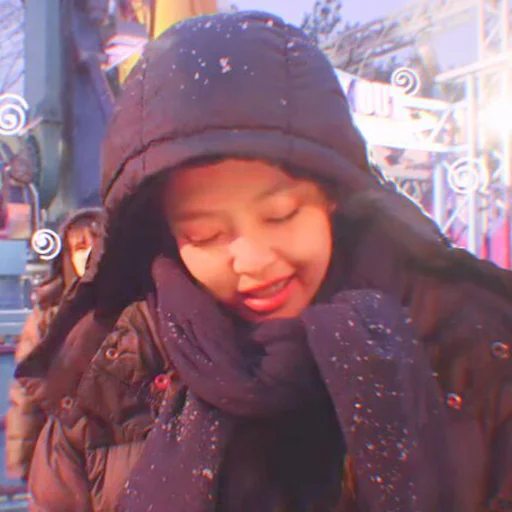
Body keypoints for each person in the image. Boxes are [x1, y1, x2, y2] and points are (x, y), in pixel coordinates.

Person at [14, 11, 511, 512]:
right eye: (205, 235)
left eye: (281, 215)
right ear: (165, 234)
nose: (252, 261)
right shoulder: (111, 377)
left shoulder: (470, 347)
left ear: (332, 195)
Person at [6, 208, 101, 481]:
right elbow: (27, 391)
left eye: (96, 244)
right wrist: (23, 461)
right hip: (66, 458)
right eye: (80, 247)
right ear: (68, 257)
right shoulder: (48, 316)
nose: (89, 254)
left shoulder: (136, 308)